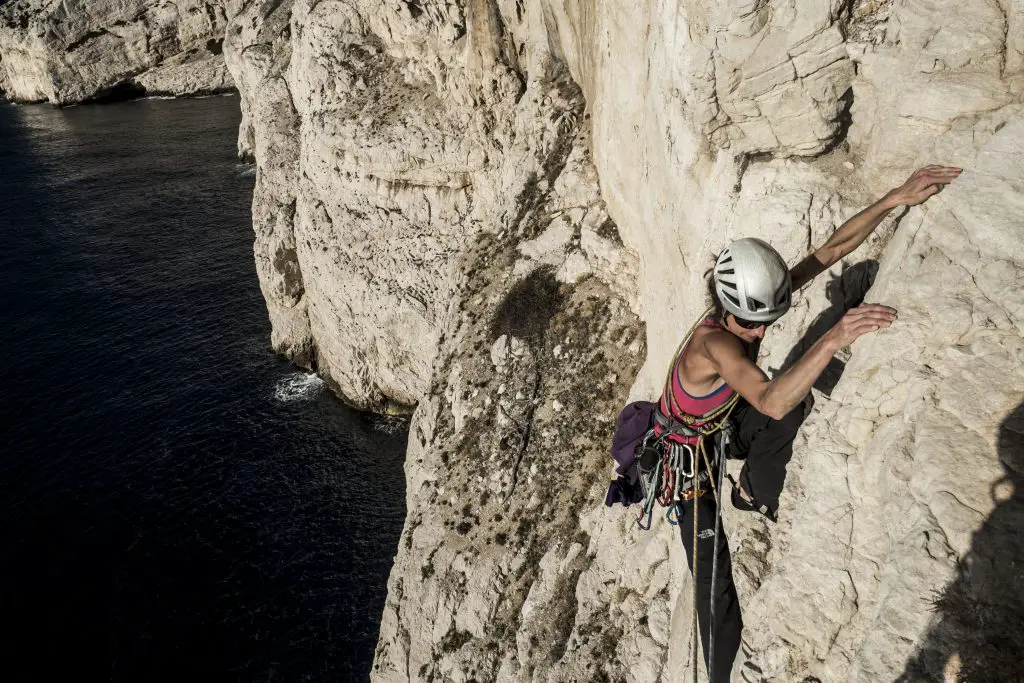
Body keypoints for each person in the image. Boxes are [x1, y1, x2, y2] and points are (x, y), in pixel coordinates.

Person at [661, 165, 962, 681]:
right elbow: (770, 401)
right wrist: (834, 337)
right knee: (717, 591)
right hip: (685, 469)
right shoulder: (717, 344)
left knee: (796, 403)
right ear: (730, 312)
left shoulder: (745, 310)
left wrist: (894, 198)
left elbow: (829, 251)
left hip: (719, 428)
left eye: (766, 322)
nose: (760, 334)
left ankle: (754, 486)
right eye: (753, 325)